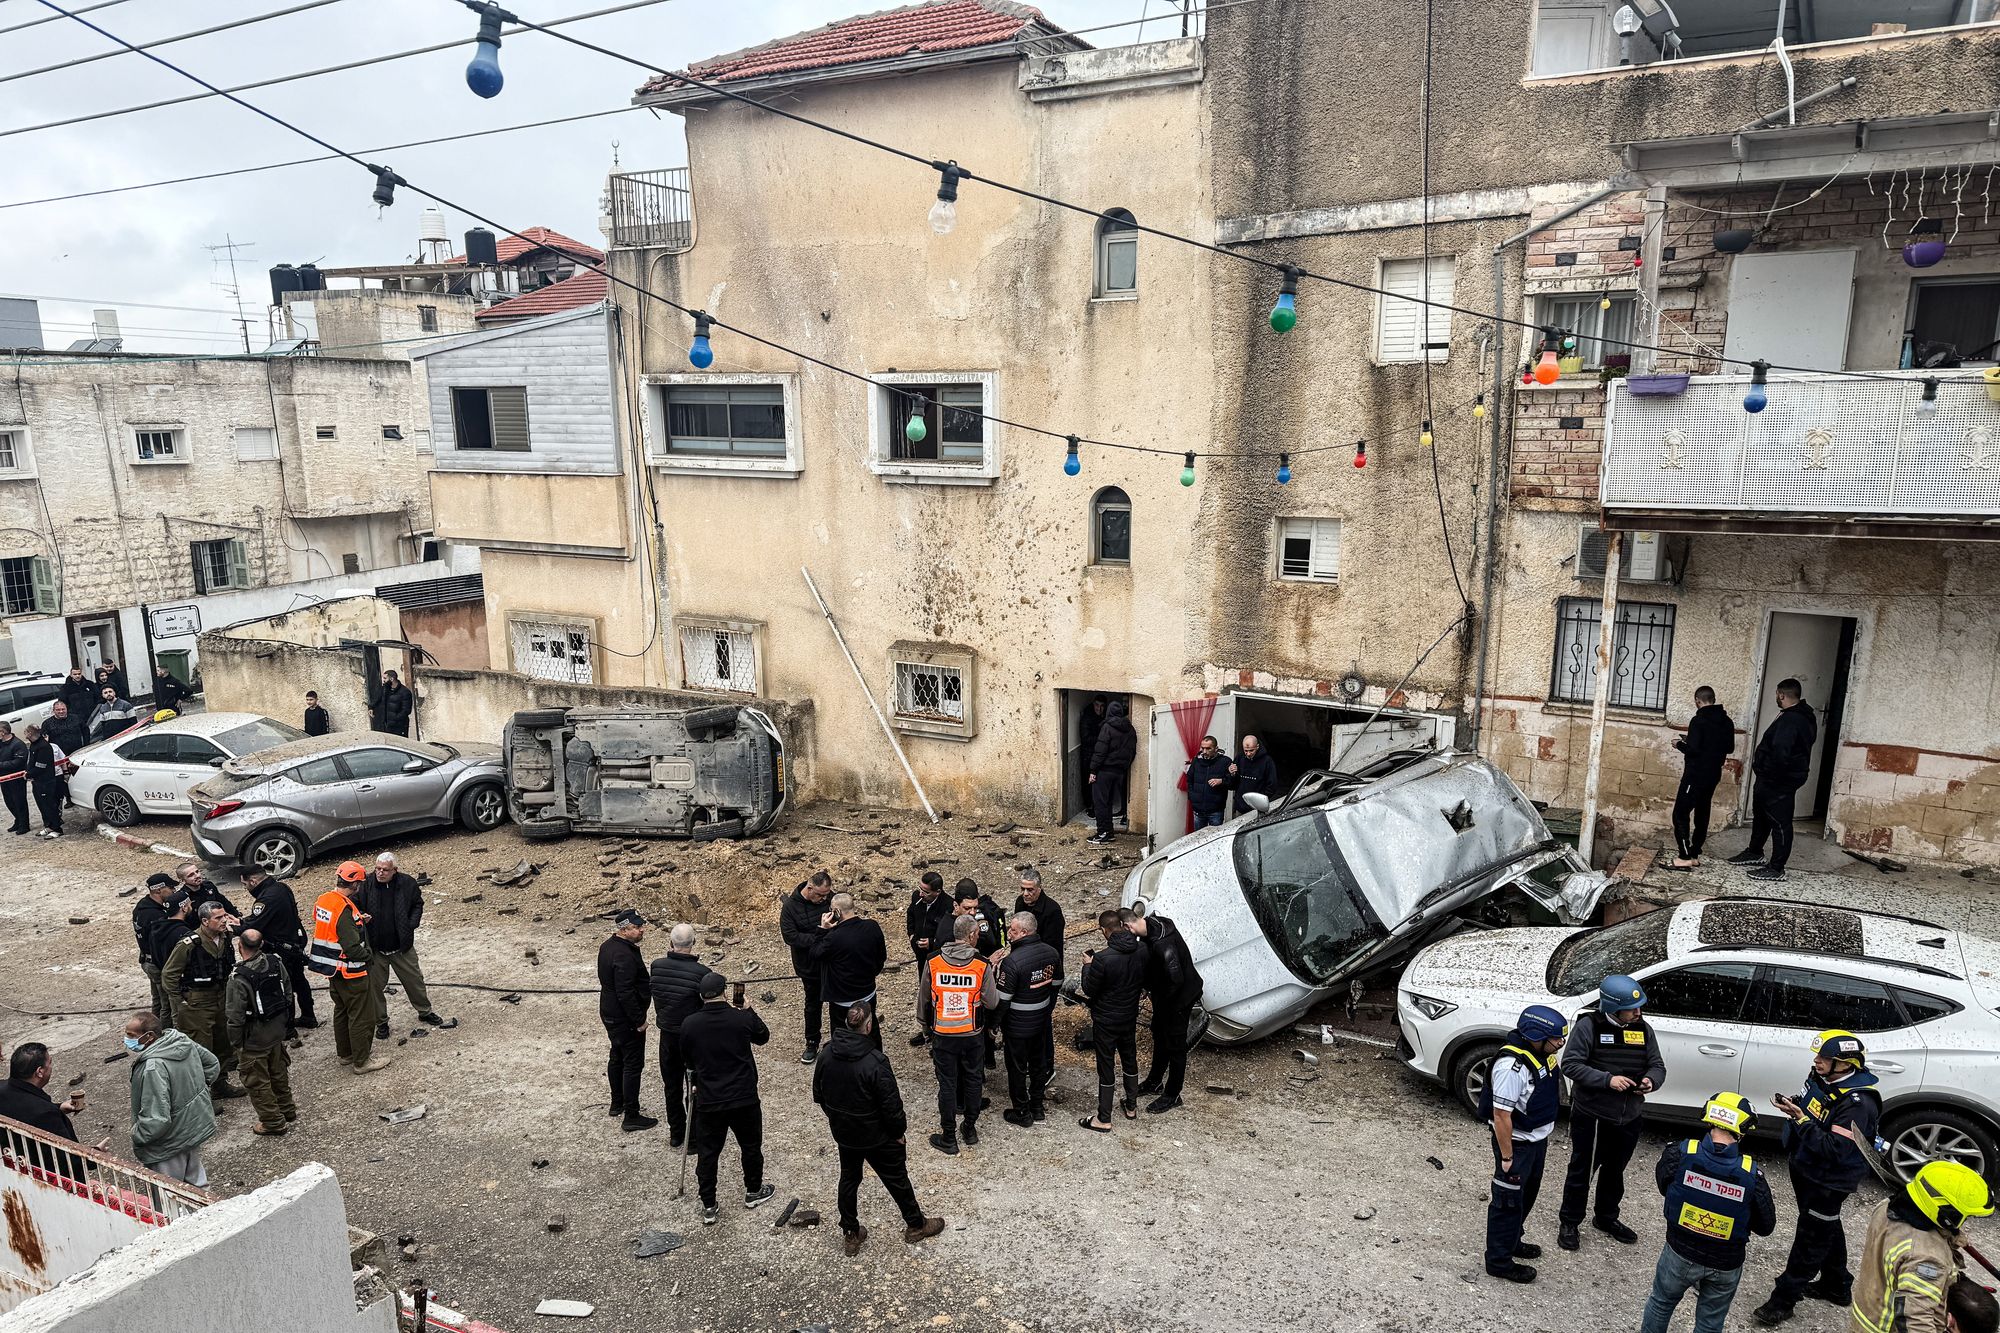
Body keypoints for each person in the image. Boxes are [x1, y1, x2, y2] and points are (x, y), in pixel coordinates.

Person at [1751, 1029, 1883, 1326]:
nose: (1818, 1061)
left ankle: (1783, 1300)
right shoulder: (1823, 1077)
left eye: (1826, 1058)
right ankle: (1836, 1285)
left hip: (1828, 1180)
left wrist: (1800, 1119)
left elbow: (1837, 1149)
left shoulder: (1859, 1104)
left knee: (1810, 1237)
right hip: (1807, 1166)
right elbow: (1814, 1104)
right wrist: (1796, 1104)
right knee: (1825, 1224)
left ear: (1847, 1064)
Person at [812, 1002, 946, 1255]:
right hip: (877, 1135)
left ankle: (850, 1233)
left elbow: (818, 1094)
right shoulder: (876, 1061)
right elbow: (891, 1105)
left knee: (849, 1180)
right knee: (897, 1179)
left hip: (845, 1133)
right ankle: (916, 1224)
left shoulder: (826, 1054)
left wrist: (836, 1118)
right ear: (869, 1025)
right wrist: (898, 1133)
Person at [1640, 1092, 1776, 1333]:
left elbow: (1664, 1185)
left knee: (1661, 1304)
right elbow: (1765, 1226)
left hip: (1679, 1252)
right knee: (1710, 1323)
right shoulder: (1751, 1175)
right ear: (1742, 1130)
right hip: (1725, 1263)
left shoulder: (1680, 1153)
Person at [1557, 972, 1664, 1251]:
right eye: (1632, 1008)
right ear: (1613, 1008)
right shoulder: (1588, 1027)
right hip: (1593, 1116)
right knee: (1582, 1171)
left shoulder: (1643, 1029)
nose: (1638, 1013)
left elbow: (1657, 1065)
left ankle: (1606, 1218)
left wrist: (1651, 1080)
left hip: (1628, 1117)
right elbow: (1570, 1065)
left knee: (1615, 1172)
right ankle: (1570, 1221)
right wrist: (1608, 1080)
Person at [678, 971, 777, 1226]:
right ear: (724, 992)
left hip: (710, 1099)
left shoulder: (689, 1024)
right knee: (751, 1146)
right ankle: (753, 1190)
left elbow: (687, 1058)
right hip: (743, 1096)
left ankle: (709, 1203)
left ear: (702, 996)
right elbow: (763, 1037)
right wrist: (750, 1010)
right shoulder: (741, 1019)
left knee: (708, 1154)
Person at [1482, 1006, 1571, 1283]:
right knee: (1507, 1203)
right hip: (1517, 1146)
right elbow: (1501, 1116)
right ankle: (1499, 1261)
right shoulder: (1511, 1067)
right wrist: (1507, 1157)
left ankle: (1513, 1241)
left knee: (1526, 1196)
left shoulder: (1541, 1054)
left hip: (1536, 1141)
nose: (1560, 1044)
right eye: (1556, 1039)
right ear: (1535, 1036)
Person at [1849, 1160, 1992, 1333]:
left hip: (1868, 1311)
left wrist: (1948, 1236)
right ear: (1945, 1213)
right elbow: (1916, 1321)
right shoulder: (1927, 1257)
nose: (1965, 1222)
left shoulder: (1888, 1207)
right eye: (1964, 1216)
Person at [1727, 677, 1817, 882]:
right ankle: (1755, 852)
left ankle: (1777, 868)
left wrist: (1768, 774)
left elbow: (1781, 752)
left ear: (1782, 694)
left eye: (1777, 694)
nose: (1776, 697)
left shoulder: (1793, 719)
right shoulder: (1799, 715)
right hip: (1775, 777)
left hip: (1778, 780)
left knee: (1779, 821)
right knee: (1762, 815)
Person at [924, 914, 1000, 1155]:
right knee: (973, 1080)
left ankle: (948, 1136)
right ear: (971, 936)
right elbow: (992, 1002)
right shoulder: (980, 964)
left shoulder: (933, 961)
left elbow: (924, 999)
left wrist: (926, 1029)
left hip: (944, 1034)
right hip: (971, 1034)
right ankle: (969, 1128)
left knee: (947, 1085)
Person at [160, 900, 247, 1102]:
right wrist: (181, 1002)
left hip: (221, 997)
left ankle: (220, 1083)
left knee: (223, 1043)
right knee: (201, 1048)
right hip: (197, 1002)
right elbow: (169, 975)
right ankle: (201, 1095)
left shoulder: (225, 937)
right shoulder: (190, 943)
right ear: (205, 921)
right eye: (218, 917)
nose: (224, 920)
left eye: (224, 915)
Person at [308, 860, 389, 1073]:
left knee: (342, 1011)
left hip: (333, 970)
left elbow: (331, 927)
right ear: (354, 884)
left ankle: (345, 1054)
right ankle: (362, 1061)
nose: (360, 887)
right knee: (361, 1016)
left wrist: (357, 921)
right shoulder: (344, 908)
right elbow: (352, 947)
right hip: (350, 971)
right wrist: (368, 956)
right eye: (359, 883)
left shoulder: (325, 900)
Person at [361, 852, 452, 1037]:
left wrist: (411, 923)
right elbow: (355, 906)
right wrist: (361, 917)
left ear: (395, 870)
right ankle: (381, 1023)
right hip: (376, 949)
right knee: (374, 988)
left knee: (414, 981)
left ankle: (424, 1011)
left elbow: (418, 904)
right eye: (377, 868)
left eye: (385, 870)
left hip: (402, 947)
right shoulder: (366, 884)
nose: (380, 873)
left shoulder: (408, 883)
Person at [124, 1010, 218, 1187]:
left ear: (149, 1037)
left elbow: (156, 1120)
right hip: (190, 1130)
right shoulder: (180, 1041)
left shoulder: (153, 1067)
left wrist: (137, 1135)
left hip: (168, 1144)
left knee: (170, 1196)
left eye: (130, 1035)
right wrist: (193, 1094)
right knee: (198, 1187)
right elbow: (211, 1064)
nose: (126, 1039)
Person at [1076, 908, 1148, 1132]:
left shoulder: (1103, 959)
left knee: (1106, 1066)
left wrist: (1087, 965)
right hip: (1128, 1015)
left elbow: (1089, 989)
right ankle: (1131, 1106)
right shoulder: (1142, 950)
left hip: (1106, 1019)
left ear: (1104, 930)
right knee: (1129, 1058)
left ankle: (1103, 1117)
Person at [1128, 906, 1203, 1113]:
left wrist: (1164, 1003)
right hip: (1165, 995)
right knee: (1159, 1035)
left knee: (1176, 1046)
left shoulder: (1163, 944)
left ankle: (1172, 1094)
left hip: (1179, 999)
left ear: (1128, 926)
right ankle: (1154, 1081)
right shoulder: (1153, 926)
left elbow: (1175, 979)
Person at [224, 929, 297, 1137]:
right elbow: (288, 993)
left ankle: (273, 1122)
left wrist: (236, 1042)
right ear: (262, 944)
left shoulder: (238, 977)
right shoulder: (275, 962)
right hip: (275, 1031)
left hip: (253, 1039)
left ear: (240, 947)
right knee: (278, 1072)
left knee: (257, 1082)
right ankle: (287, 1109)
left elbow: (235, 1016)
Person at [996, 910, 1060, 1128]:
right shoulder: (1052, 953)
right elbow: (1057, 982)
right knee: (1038, 1064)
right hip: (1041, 1021)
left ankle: (1021, 1111)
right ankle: (1037, 1106)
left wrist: (994, 1024)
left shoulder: (1012, 963)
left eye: (1012, 930)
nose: (1009, 934)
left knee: (1016, 1068)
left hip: (1017, 1026)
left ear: (1023, 932)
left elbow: (1003, 999)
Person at [649, 922, 707, 1149]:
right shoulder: (702, 973)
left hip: (667, 1034)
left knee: (671, 1085)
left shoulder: (657, 966)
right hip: (692, 1038)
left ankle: (676, 1132)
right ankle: (693, 1137)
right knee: (694, 1086)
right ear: (693, 943)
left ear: (671, 943)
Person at [597, 910, 656, 1132]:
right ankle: (631, 1115)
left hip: (610, 1013)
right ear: (623, 929)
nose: (642, 930)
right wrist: (639, 1020)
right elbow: (625, 993)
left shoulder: (607, 947)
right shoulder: (623, 955)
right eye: (636, 927)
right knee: (632, 1063)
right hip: (624, 1018)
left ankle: (617, 1102)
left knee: (617, 1055)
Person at [238, 867, 315, 1031]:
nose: (246, 888)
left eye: (245, 884)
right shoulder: (281, 887)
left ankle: (288, 1029)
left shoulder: (266, 898)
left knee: (283, 986)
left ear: (253, 881)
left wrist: (237, 926)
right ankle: (309, 1016)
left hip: (281, 949)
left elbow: (254, 925)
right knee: (299, 981)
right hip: (293, 942)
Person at [812, 892, 888, 1052]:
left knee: (841, 1035)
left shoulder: (834, 937)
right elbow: (882, 957)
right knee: (871, 1028)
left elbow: (815, 953)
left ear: (837, 912)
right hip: (867, 993)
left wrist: (822, 929)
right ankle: (876, 1058)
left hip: (842, 1000)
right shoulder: (872, 926)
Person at [1670, 687, 1735, 869]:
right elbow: (1729, 747)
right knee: (1702, 811)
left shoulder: (1698, 720)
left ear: (1698, 701)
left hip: (1695, 774)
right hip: (1713, 773)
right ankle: (1695, 852)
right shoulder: (1727, 721)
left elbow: (1694, 750)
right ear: (1713, 699)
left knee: (1680, 813)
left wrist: (1680, 744)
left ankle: (1684, 856)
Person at [1013, 869, 1065, 1082]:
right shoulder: (1020, 904)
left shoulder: (1052, 911)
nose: (1026, 894)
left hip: (1045, 972)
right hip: (1025, 970)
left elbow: (1052, 950)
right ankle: (1031, 1061)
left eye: (1030, 890)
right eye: (1023, 889)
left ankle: (1046, 1066)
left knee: (1043, 1020)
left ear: (1039, 889)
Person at [779, 870, 833, 1063]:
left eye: (827, 894)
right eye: (820, 895)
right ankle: (812, 1042)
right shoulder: (790, 908)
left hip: (832, 961)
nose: (824, 899)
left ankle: (839, 1038)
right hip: (809, 966)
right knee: (812, 1004)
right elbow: (790, 937)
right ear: (809, 888)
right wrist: (821, 934)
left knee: (837, 1001)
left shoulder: (829, 898)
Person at [904, 871, 953, 1048]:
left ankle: (938, 1032)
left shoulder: (948, 906)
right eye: (920, 889)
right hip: (922, 959)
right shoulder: (917, 898)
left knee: (937, 996)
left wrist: (932, 943)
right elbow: (910, 915)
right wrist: (911, 935)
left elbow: (950, 935)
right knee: (924, 995)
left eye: (925, 891)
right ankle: (927, 1031)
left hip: (939, 960)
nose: (921, 894)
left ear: (937, 892)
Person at [1086, 699, 1136, 845]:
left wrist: (1093, 771)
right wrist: (1123, 766)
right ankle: (1109, 833)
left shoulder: (1107, 727)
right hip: (1119, 773)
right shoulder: (1130, 729)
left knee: (1101, 803)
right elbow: (1132, 752)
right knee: (1108, 802)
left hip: (1104, 771)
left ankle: (1103, 833)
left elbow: (1100, 751)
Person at [132, 872, 179, 1020]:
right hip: (156, 964)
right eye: (171, 888)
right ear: (158, 890)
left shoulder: (143, 907)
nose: (173, 891)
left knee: (158, 1001)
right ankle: (162, 1035)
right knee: (168, 1005)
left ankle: (152, 1030)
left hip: (149, 961)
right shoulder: (153, 914)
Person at [1183, 734, 1233, 829]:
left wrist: (1221, 781)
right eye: (1203, 748)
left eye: (1208, 748)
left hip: (1216, 811)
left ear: (1216, 748)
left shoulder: (1225, 762)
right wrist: (1192, 798)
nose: (1204, 751)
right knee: (1198, 839)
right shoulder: (1196, 761)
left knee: (1215, 840)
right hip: (1198, 810)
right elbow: (1189, 779)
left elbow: (1232, 783)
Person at [22, 724, 62, 838]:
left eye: (26, 732)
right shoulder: (34, 745)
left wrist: (28, 774)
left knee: (50, 805)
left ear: (30, 733)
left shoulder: (43, 746)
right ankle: (48, 825)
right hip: (37, 781)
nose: (25, 734)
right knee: (42, 805)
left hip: (46, 781)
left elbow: (41, 766)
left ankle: (57, 828)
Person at [42, 701, 85, 807]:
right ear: (53, 711)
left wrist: (86, 746)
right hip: (59, 756)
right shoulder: (47, 723)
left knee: (80, 775)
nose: (61, 711)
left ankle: (82, 796)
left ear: (66, 709)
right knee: (63, 778)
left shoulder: (75, 718)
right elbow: (44, 740)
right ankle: (69, 799)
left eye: (63, 709)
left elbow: (86, 731)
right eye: (58, 710)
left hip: (77, 752)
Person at [1230, 734, 1280, 816]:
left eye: (1251, 750)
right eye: (1246, 751)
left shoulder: (1267, 761)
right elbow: (1232, 785)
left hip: (1257, 810)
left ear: (1257, 747)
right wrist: (1232, 774)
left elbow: (1272, 785)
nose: (1248, 754)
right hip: (1240, 808)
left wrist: (1260, 801)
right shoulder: (1239, 758)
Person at [1077, 694, 1108, 811]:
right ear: (1093, 704)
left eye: (1101, 706)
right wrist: (1102, 739)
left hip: (1098, 754)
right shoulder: (1087, 717)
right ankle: (1090, 805)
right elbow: (1085, 738)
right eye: (1096, 705)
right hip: (1088, 754)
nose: (1098, 708)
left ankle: (1096, 805)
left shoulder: (1102, 717)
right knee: (1089, 782)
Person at [0, 721, 28, 835]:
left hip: (16, 777)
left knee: (19, 800)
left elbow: (19, 762)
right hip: (4, 777)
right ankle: (18, 819)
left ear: (3, 732)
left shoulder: (18, 744)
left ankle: (24, 824)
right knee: (9, 801)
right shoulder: (1, 743)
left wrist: (1, 765)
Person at [371, 669, 414, 736]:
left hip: (399, 727)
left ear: (391, 679)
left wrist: (395, 719)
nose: (383, 680)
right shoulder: (385, 689)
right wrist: (371, 707)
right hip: (385, 726)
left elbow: (406, 711)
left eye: (385, 678)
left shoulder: (405, 692)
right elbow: (378, 699)